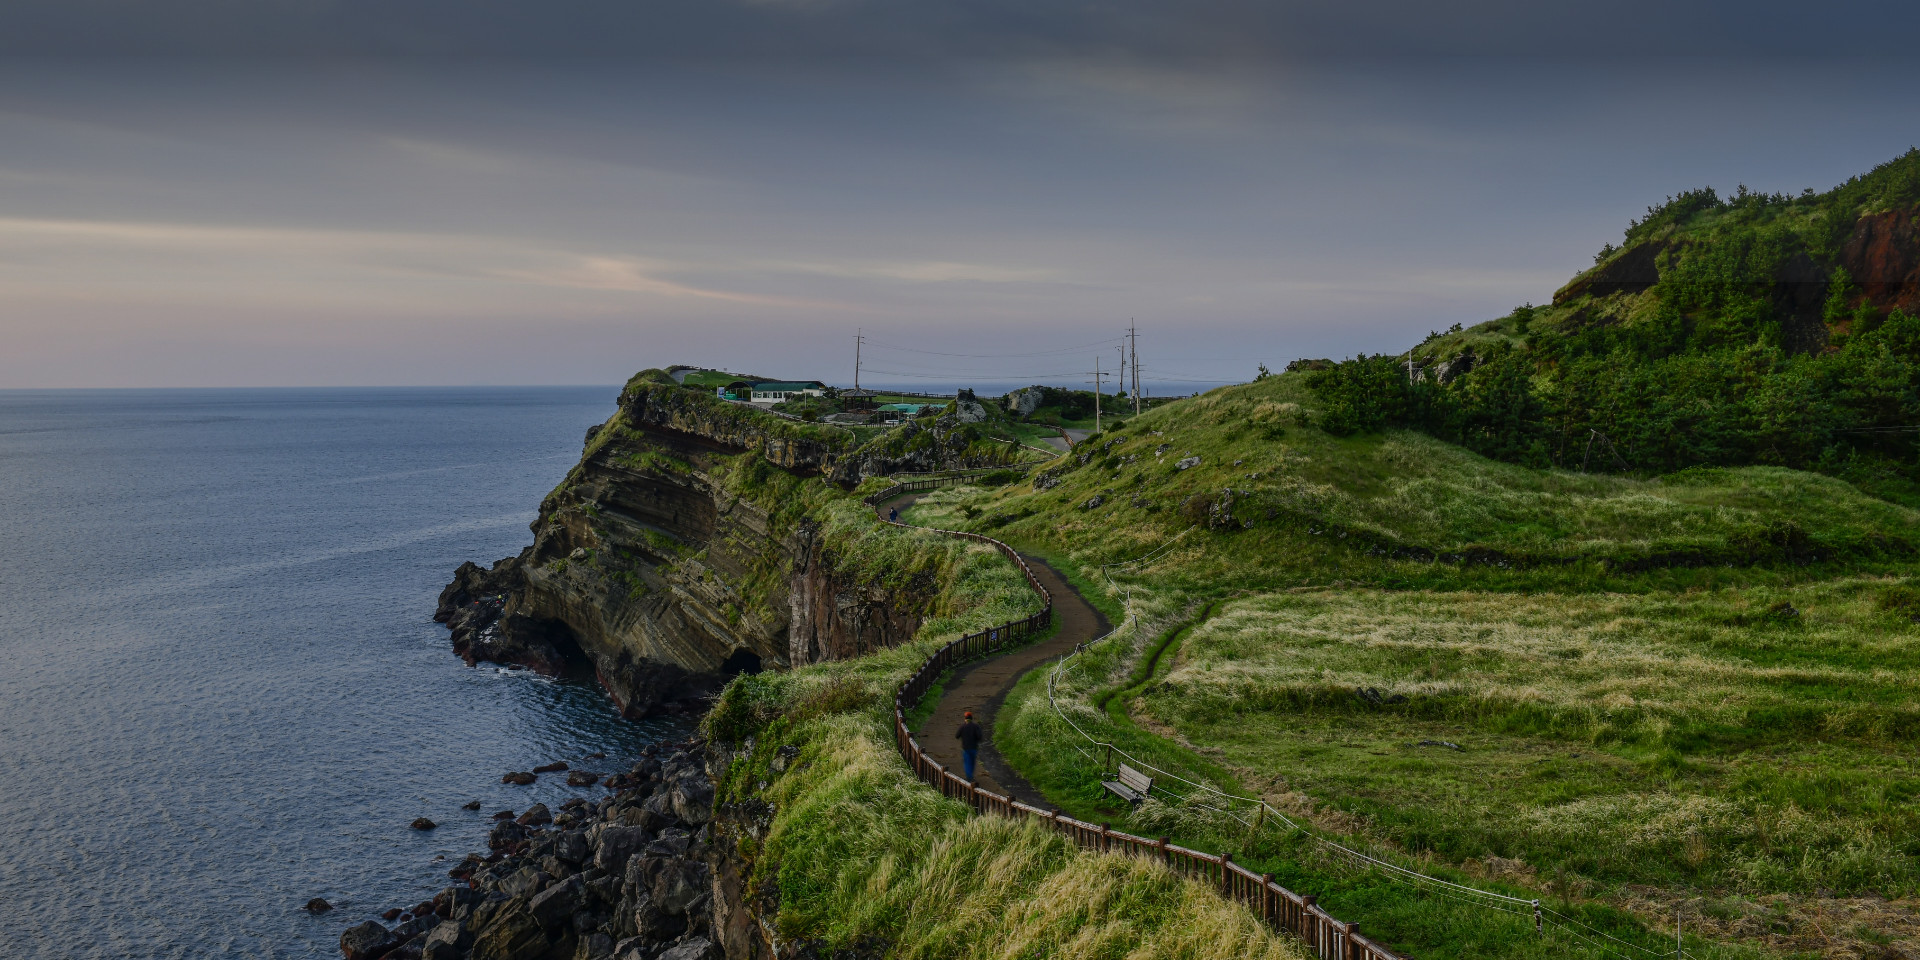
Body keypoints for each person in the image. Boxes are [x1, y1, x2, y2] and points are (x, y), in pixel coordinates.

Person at [956, 711, 982, 781]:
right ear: (971, 718)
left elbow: (957, 736)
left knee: (967, 763)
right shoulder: (975, 726)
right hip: (974, 748)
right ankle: (971, 776)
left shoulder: (962, 726)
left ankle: (969, 777)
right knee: (972, 763)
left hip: (965, 748)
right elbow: (979, 736)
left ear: (965, 718)